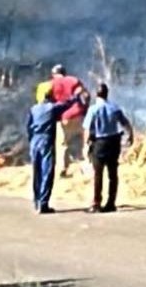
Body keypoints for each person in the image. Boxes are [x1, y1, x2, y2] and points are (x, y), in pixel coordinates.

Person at [26, 86, 88, 214]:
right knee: (47, 171)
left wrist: (31, 140)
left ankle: (37, 201)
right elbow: (67, 104)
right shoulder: (51, 108)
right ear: (50, 96)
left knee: (36, 171)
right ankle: (43, 203)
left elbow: (28, 127)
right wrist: (76, 95)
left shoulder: (33, 109)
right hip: (46, 140)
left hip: (34, 141)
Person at [82, 82, 135, 213]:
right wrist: (130, 135)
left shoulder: (93, 109)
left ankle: (96, 203)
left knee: (98, 174)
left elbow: (87, 129)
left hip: (99, 143)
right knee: (113, 173)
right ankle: (111, 202)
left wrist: (85, 145)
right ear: (107, 94)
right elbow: (125, 123)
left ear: (96, 94)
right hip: (113, 142)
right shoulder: (115, 108)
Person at [49, 63, 90, 177]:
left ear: (54, 74)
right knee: (85, 142)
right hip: (78, 114)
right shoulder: (74, 80)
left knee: (62, 144)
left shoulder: (51, 84)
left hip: (63, 119)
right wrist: (85, 110)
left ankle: (62, 170)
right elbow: (85, 96)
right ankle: (87, 168)